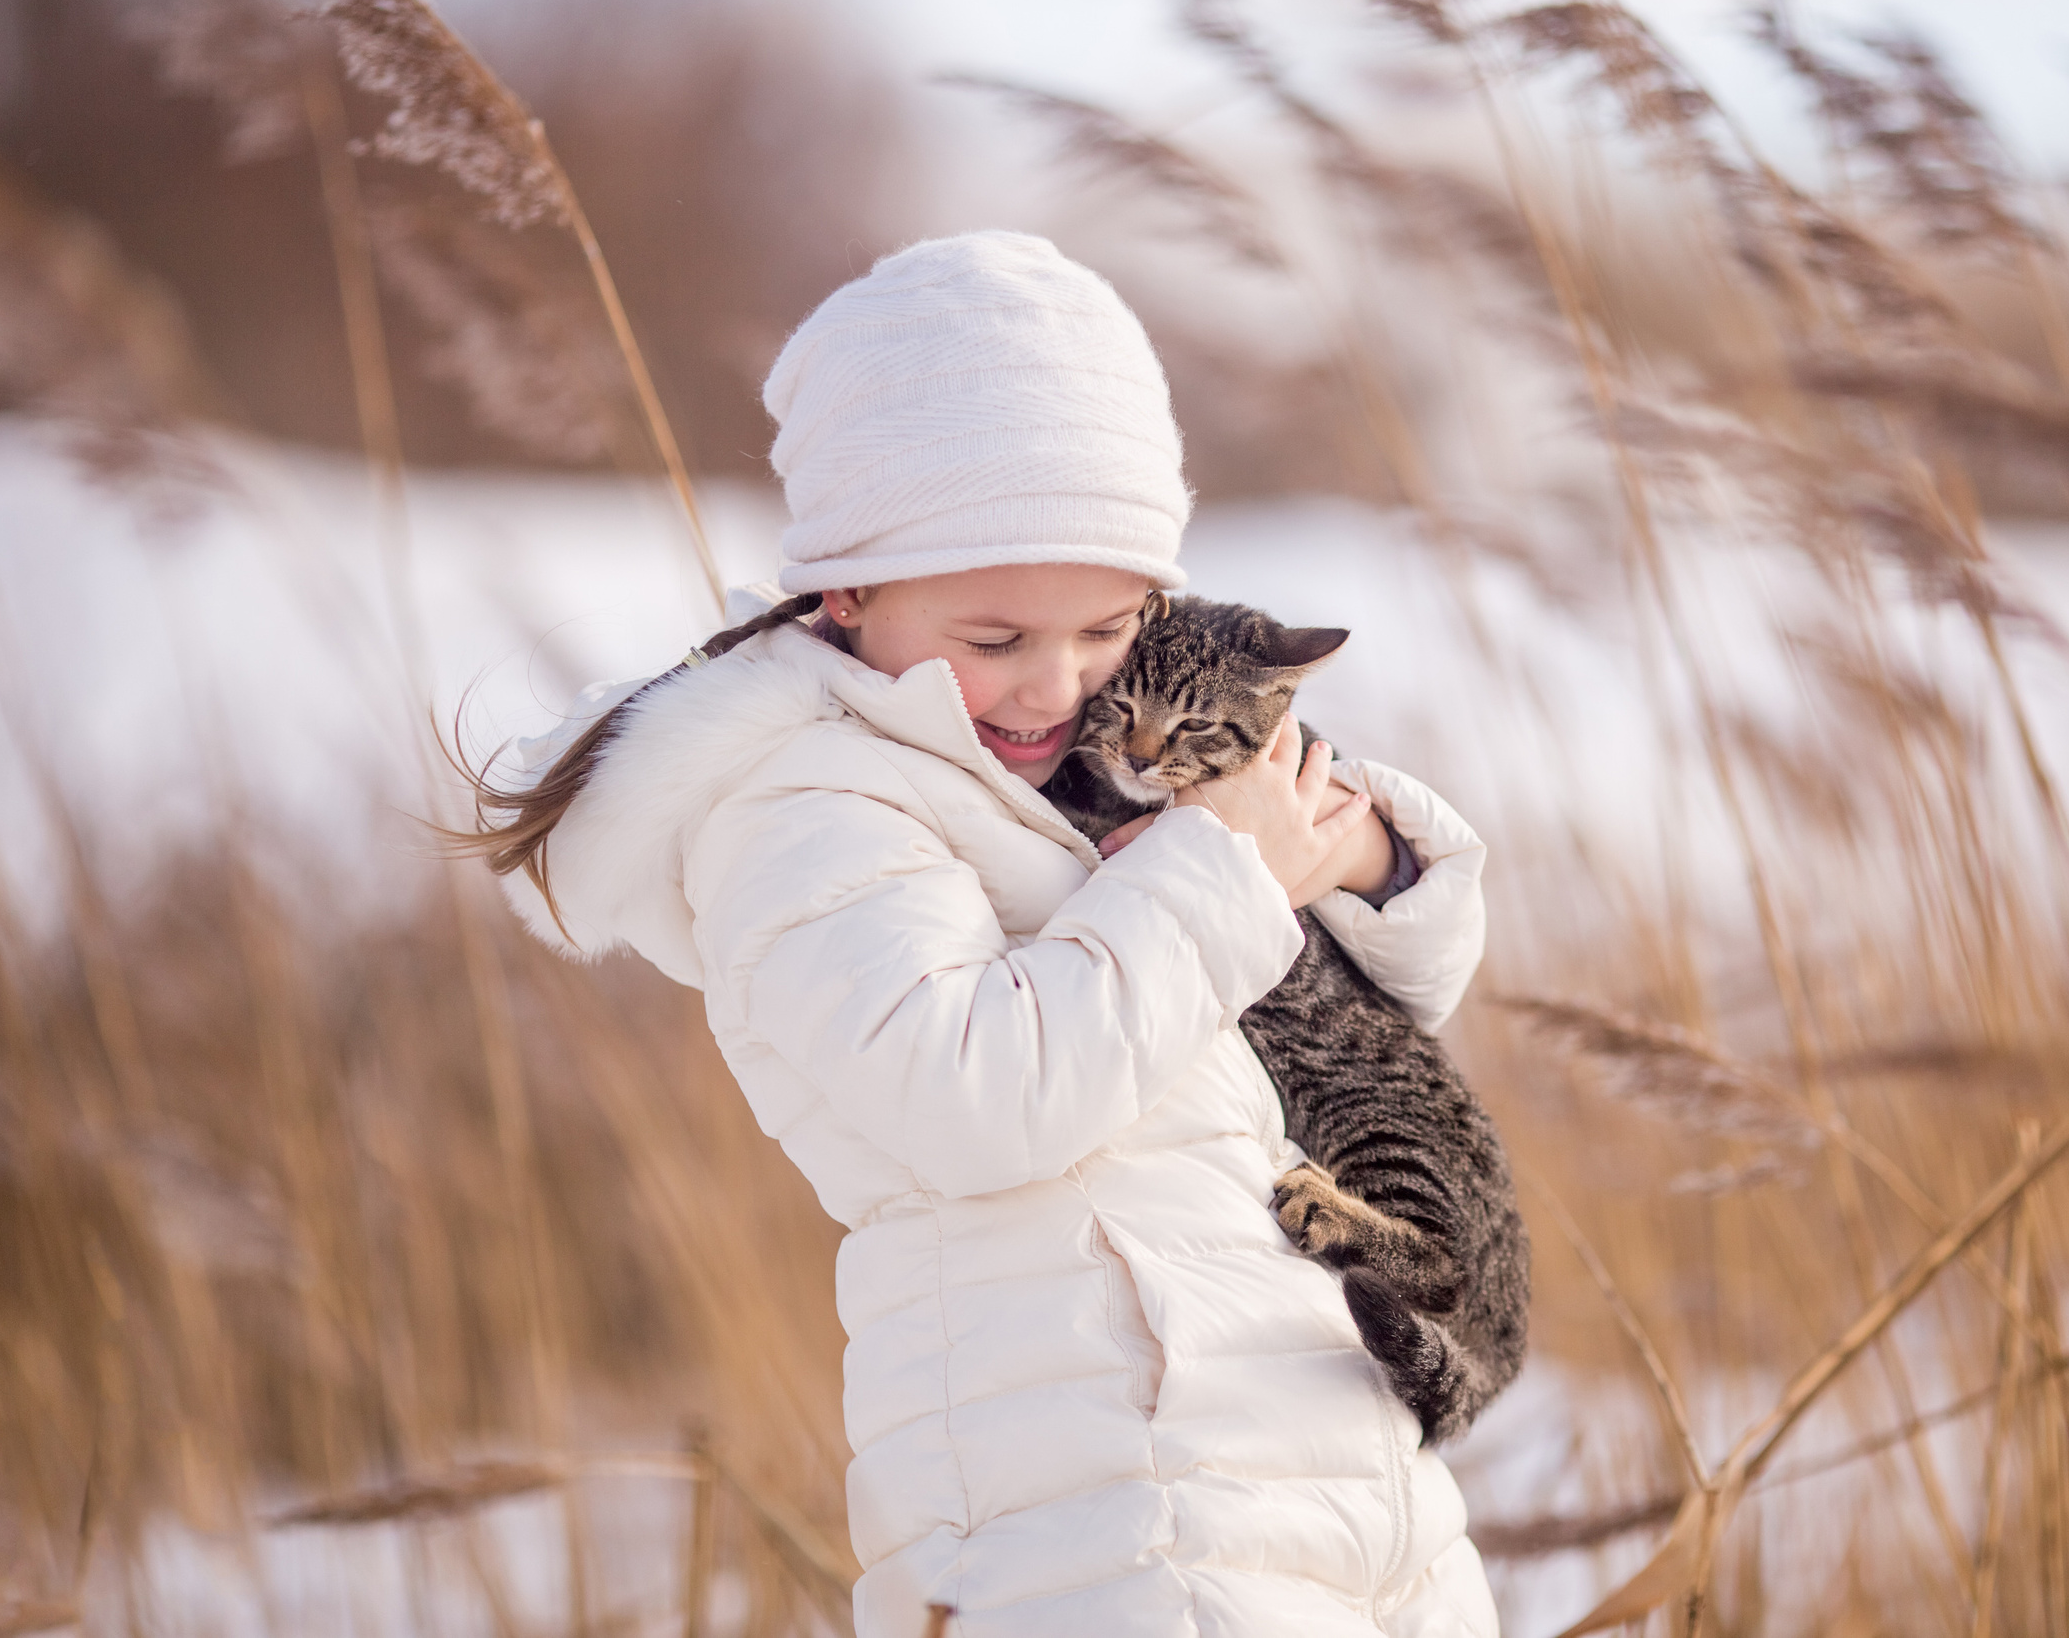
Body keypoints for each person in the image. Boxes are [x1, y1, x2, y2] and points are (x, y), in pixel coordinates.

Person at [461, 232, 1498, 1636]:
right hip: (1110, 1518)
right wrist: (1225, 871)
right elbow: (975, 1103)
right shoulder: (807, 810)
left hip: (1324, 1468)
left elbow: (1402, 988)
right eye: (997, 635)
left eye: (1107, 630)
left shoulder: (1075, 757)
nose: (1057, 686)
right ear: (849, 590)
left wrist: (1357, 853)